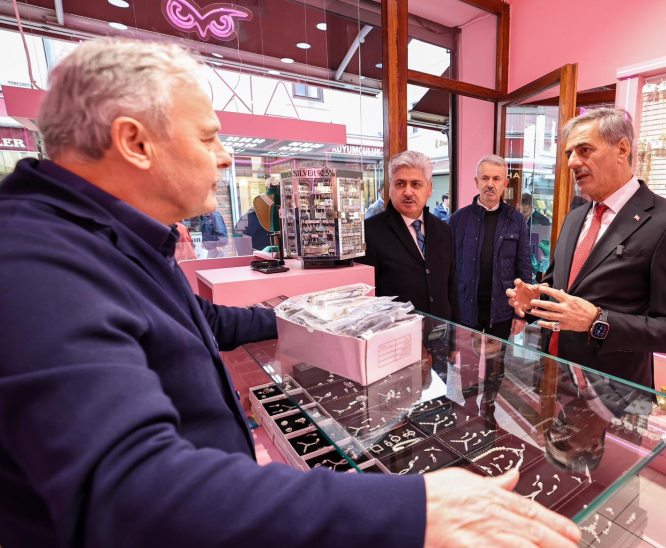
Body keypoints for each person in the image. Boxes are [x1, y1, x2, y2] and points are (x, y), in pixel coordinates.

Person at [0, 39, 581, 548]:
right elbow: (133, 492)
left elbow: (202, 322)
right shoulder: (36, 262)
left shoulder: (106, 240)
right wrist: (412, 510)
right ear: (135, 142)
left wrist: (318, 316)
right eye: (208, 136)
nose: (225, 155)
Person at [507, 107, 666, 388]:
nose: (572, 162)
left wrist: (597, 322)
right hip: (552, 379)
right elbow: (561, 292)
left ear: (622, 150)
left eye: (584, 150)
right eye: (569, 154)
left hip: (614, 395)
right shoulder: (574, 218)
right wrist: (535, 301)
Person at [358, 151, 461, 323]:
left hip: (441, 331)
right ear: (390, 188)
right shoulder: (370, 231)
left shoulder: (443, 229)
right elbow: (367, 298)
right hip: (397, 333)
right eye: (400, 184)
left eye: (416, 184)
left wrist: (456, 332)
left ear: (429, 189)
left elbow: (451, 285)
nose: (408, 192)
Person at [449, 155, 533, 340]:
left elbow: (524, 267)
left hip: (503, 307)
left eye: (496, 179)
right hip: (465, 306)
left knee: (497, 358)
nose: (490, 184)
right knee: (464, 358)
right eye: (485, 178)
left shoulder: (516, 220)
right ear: (476, 181)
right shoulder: (458, 219)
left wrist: (521, 313)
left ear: (505, 183)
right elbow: (448, 268)